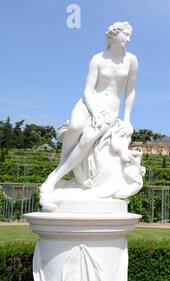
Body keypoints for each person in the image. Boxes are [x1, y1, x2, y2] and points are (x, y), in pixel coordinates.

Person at [40, 22, 138, 195]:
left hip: (110, 110)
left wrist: (128, 119)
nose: (129, 39)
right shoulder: (98, 59)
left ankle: (53, 178)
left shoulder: (131, 60)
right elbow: (88, 90)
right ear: (114, 35)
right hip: (89, 103)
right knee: (75, 127)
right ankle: (76, 170)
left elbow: (130, 91)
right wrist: (94, 111)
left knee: (87, 139)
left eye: (130, 35)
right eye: (126, 34)